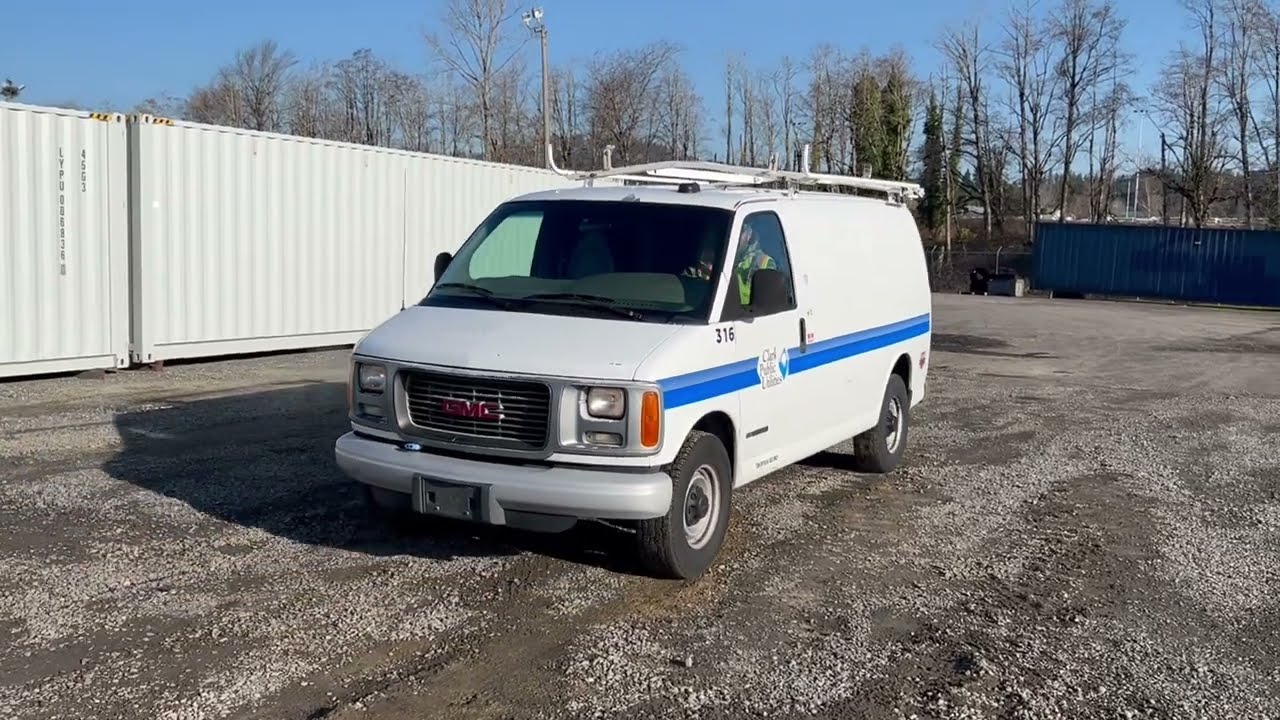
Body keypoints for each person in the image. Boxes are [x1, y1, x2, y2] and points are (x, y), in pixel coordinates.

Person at [734, 222, 776, 305]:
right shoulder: (719, 259)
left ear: (749, 235)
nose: (734, 236)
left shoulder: (764, 262)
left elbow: (768, 304)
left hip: (746, 315)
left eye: (739, 231)